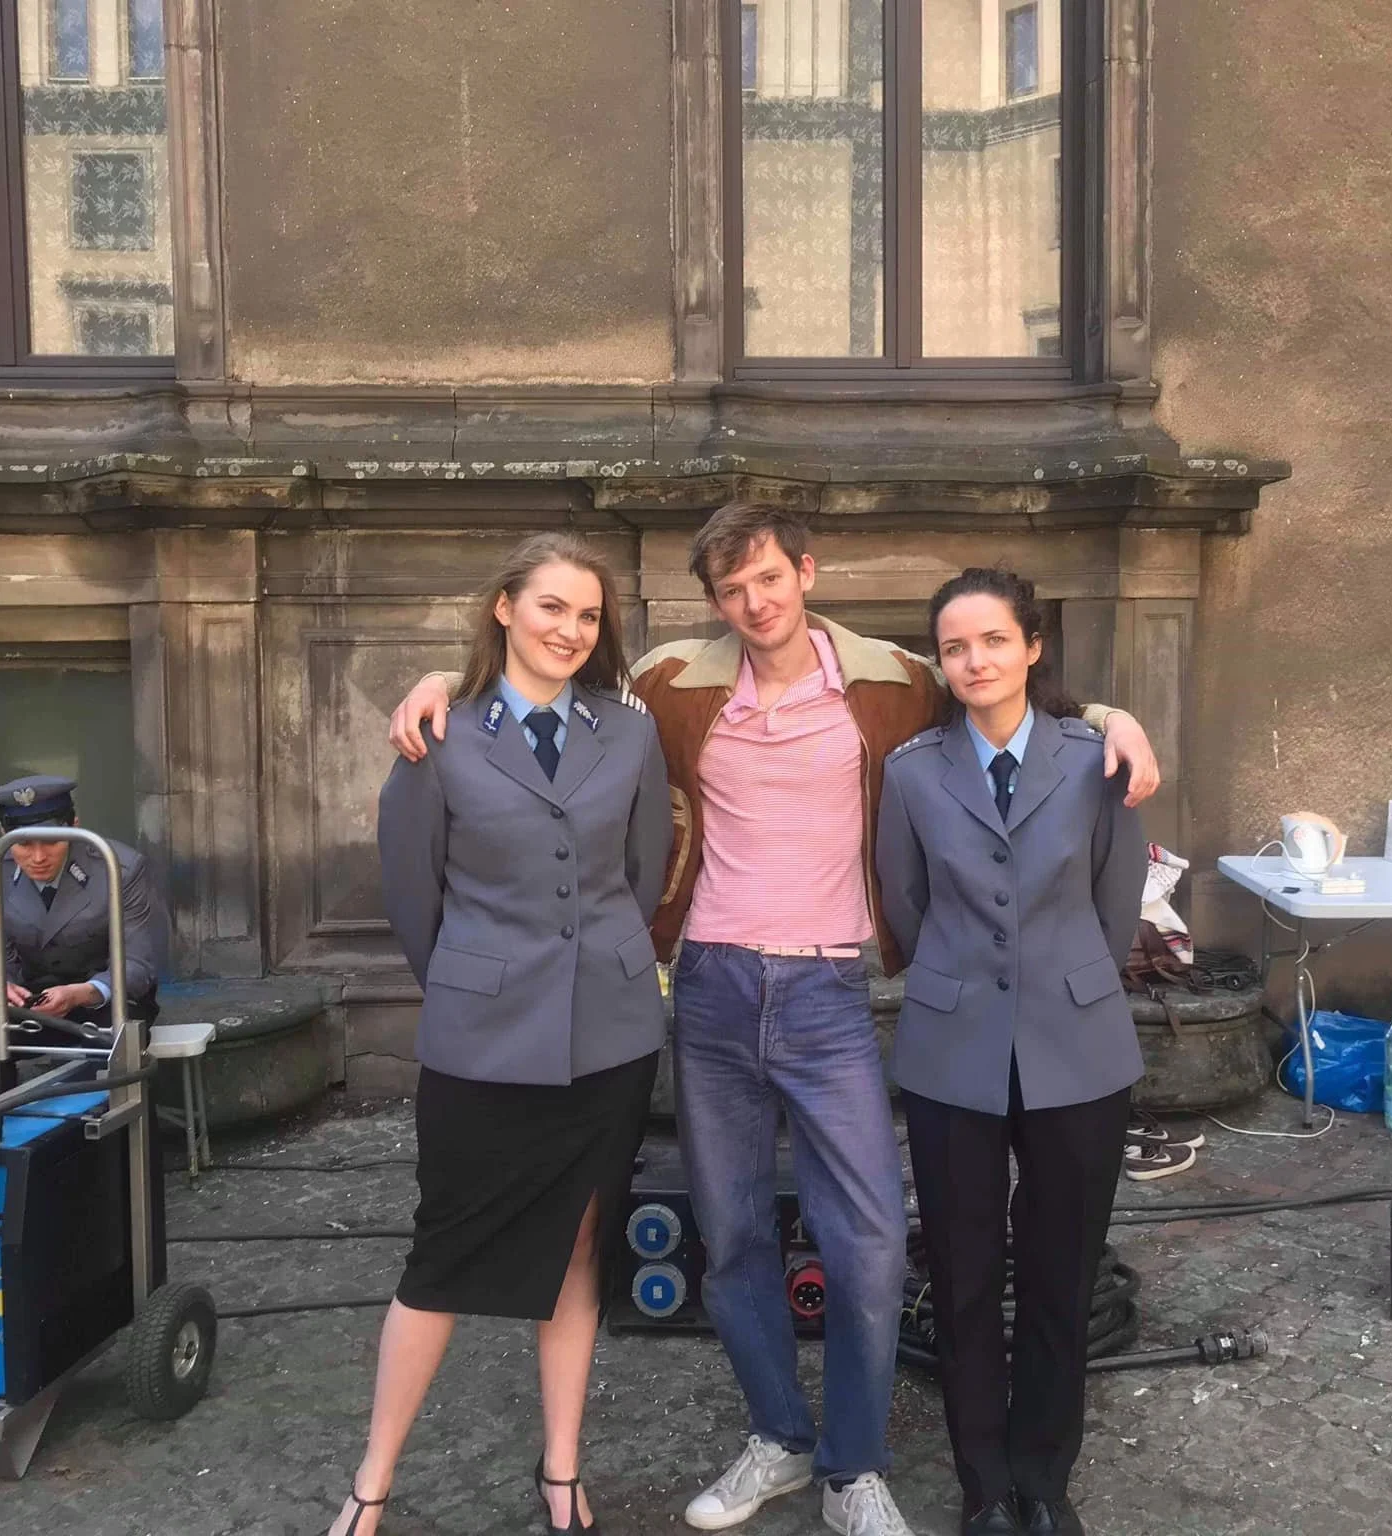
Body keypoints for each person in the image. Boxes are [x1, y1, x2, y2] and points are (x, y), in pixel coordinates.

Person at [386, 504, 1160, 1536]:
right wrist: (443, 681)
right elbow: (547, 682)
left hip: (827, 992)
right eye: (730, 589)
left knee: (872, 1241)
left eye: (768, 579)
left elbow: (1004, 686)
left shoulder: (892, 679)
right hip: (708, 985)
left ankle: (854, 1465)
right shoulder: (670, 682)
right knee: (733, 1234)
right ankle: (779, 1439)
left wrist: (1111, 716)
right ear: (713, 601)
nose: (754, 603)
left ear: (806, 571)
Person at [331, 533, 671, 1536]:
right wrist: (487, 981)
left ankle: (561, 1470)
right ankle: (373, 1479)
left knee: (578, 1249)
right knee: (441, 1255)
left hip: (606, 1037)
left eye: (588, 615)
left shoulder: (631, 732)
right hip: (482, 1037)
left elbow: (643, 874)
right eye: (551, 607)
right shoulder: (437, 734)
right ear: (504, 609)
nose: (570, 629)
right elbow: (412, 898)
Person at [874, 568, 1148, 1536]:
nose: (973, 661)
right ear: (938, 662)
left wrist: (1064, 979)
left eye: (992, 640)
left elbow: (1116, 900)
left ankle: (1043, 1474)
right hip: (952, 1048)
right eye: (953, 647)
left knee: (1058, 1268)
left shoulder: (1093, 758)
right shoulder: (910, 771)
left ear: (1031, 647)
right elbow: (902, 907)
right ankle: (982, 1481)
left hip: (1076, 1043)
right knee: (958, 1271)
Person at [0, 775, 165, 1026]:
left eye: (51, 841)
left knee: (113, 1040)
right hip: (31, 999)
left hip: (103, 998)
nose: (38, 857)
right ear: (3, 834)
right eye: (23, 844)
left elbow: (138, 964)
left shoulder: (118, 868)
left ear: (74, 827)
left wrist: (83, 993)